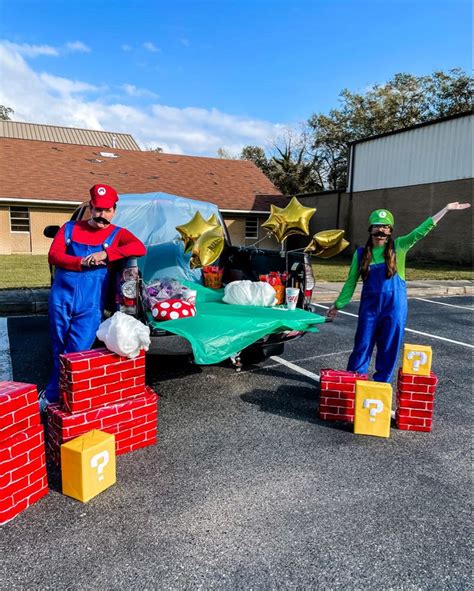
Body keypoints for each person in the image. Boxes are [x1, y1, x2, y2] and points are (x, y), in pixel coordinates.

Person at [327, 202, 471, 383]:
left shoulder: (400, 246)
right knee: (362, 346)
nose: (381, 230)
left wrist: (446, 209)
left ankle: (381, 386)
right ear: (370, 229)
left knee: (389, 347)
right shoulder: (361, 253)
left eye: (385, 227)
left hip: (394, 308)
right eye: (378, 226)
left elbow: (421, 231)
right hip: (369, 309)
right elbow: (350, 283)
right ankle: (355, 382)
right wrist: (338, 305)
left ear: (390, 231)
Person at [40, 184, 146, 411]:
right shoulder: (69, 228)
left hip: (90, 303)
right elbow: (53, 255)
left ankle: (52, 394)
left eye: (107, 211)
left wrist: (107, 253)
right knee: (58, 346)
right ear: (90, 207)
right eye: (98, 210)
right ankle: (63, 397)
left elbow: (139, 247)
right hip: (62, 297)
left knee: (77, 350)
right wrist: (80, 262)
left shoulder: (118, 233)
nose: (102, 215)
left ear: (114, 211)